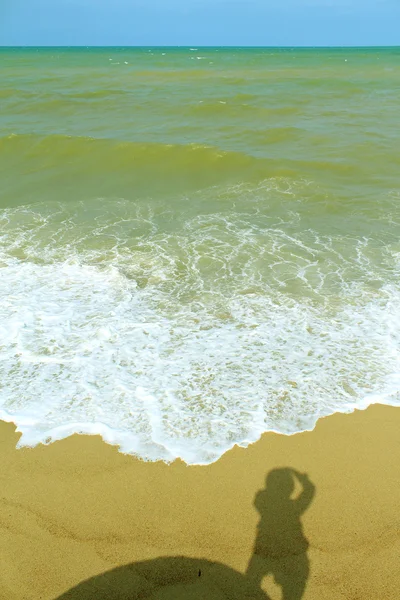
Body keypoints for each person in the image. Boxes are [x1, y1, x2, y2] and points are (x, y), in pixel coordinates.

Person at [246, 468, 315, 600]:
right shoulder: (293, 508)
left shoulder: (263, 504)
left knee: (249, 586)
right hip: (293, 555)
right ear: (290, 488)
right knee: (293, 592)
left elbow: (259, 497)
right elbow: (309, 490)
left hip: (265, 554)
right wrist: (300, 476)